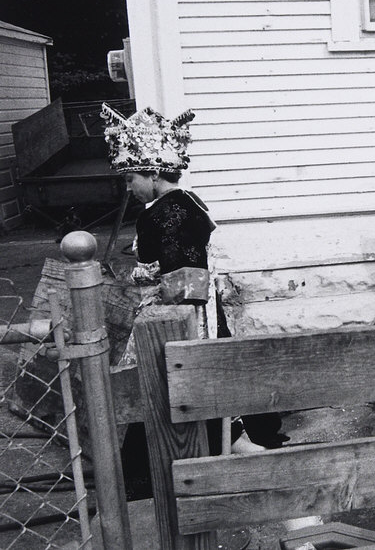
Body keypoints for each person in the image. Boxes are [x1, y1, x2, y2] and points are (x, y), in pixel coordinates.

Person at [101, 104, 287, 500]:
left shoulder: (168, 213)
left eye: (132, 178)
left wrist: (139, 273)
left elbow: (180, 270)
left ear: (152, 172)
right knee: (198, 383)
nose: (129, 187)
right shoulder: (186, 202)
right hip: (201, 307)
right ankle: (221, 452)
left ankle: (213, 463)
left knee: (178, 383)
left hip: (183, 313)